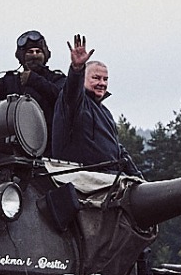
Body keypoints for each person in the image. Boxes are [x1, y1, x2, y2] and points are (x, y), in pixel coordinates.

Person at [50, 35, 139, 175]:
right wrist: (77, 69)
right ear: (83, 79)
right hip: (82, 177)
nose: (102, 83)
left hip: (110, 177)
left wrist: (139, 178)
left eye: (105, 79)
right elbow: (72, 89)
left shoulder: (105, 112)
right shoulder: (73, 102)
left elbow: (119, 150)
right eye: (96, 78)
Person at [0, 30, 65, 127]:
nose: (34, 55)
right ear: (22, 57)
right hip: (17, 135)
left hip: (50, 135)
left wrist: (34, 80)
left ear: (45, 55)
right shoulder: (12, 81)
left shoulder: (56, 78)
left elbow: (63, 98)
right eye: (30, 52)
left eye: (38, 51)